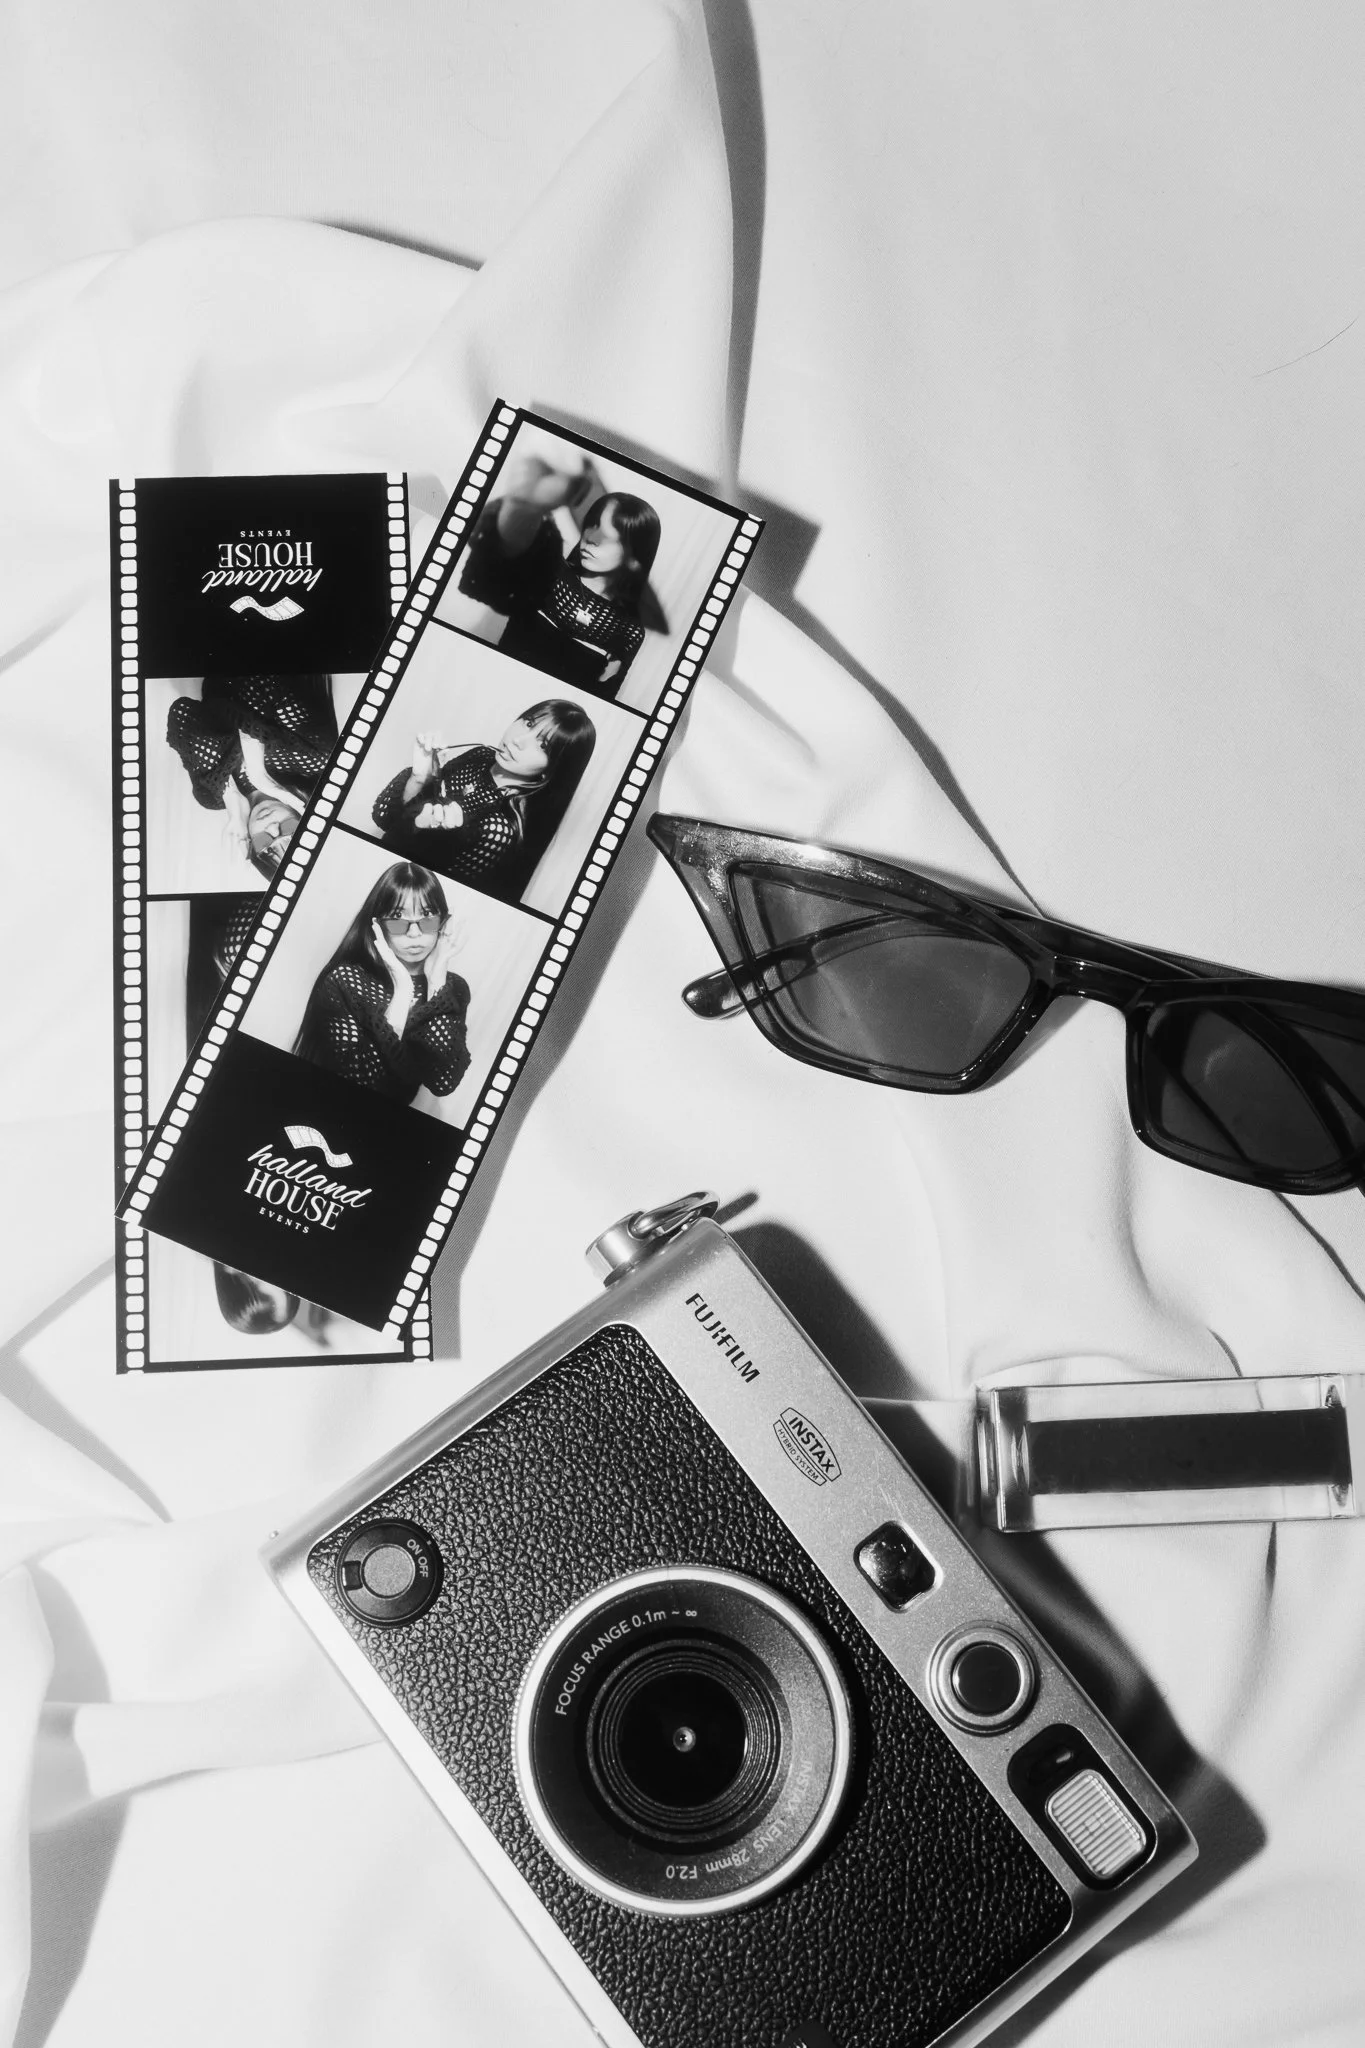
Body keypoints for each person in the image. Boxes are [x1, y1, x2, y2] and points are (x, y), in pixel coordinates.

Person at [457, 456, 662, 697]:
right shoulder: (549, 568)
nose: (591, 538)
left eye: (608, 536)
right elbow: (475, 584)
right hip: (490, 688)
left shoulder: (629, 630)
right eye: (592, 525)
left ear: (635, 556)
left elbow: (597, 700)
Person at [370, 700, 596, 900]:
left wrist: (443, 839)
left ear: (551, 770)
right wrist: (419, 778)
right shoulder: (480, 756)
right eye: (528, 723)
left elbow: (423, 887)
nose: (518, 740)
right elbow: (388, 820)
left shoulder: (499, 829)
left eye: (543, 745)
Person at [293, 863, 471, 1104]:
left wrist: (437, 978)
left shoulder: (453, 988)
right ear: (377, 925)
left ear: (442, 923)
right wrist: (403, 989)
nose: (415, 934)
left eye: (427, 918)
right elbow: (362, 1083)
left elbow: (443, 1081)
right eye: (398, 919)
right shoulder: (345, 981)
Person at [166, 673, 337, 878]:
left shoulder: (212, 797)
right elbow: (256, 682)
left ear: (251, 845)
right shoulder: (314, 760)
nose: (272, 827)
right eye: (288, 829)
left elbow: (182, 715)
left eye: (264, 842)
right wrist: (260, 778)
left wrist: (231, 799)